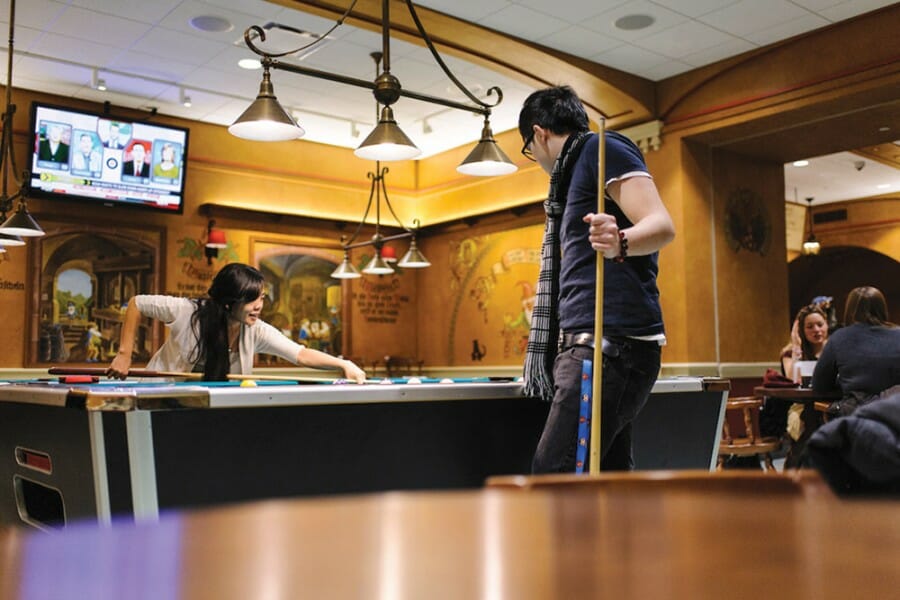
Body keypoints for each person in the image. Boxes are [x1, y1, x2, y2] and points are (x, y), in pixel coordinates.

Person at [520, 85, 675, 473]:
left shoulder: (600, 149)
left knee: (552, 477)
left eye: (529, 150)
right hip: (602, 347)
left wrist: (620, 241)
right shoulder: (573, 177)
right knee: (609, 483)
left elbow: (661, 225)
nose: (535, 159)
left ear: (539, 134)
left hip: (607, 348)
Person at [106, 263, 366, 383]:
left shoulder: (255, 329)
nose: (259, 306)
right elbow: (137, 303)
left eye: (262, 298)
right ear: (230, 302)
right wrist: (124, 355)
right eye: (252, 300)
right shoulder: (187, 311)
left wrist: (343, 364)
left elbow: (300, 354)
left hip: (206, 407)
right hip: (158, 399)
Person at [812, 286, 900, 410]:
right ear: (882, 308)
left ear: (850, 310)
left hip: (856, 416)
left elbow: (819, 385)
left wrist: (846, 380)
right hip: (894, 415)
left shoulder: (839, 337)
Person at [780, 303, 829, 381]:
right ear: (801, 330)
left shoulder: (836, 349)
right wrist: (796, 347)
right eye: (810, 327)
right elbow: (793, 380)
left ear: (827, 325)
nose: (816, 330)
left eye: (820, 325)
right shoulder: (789, 353)